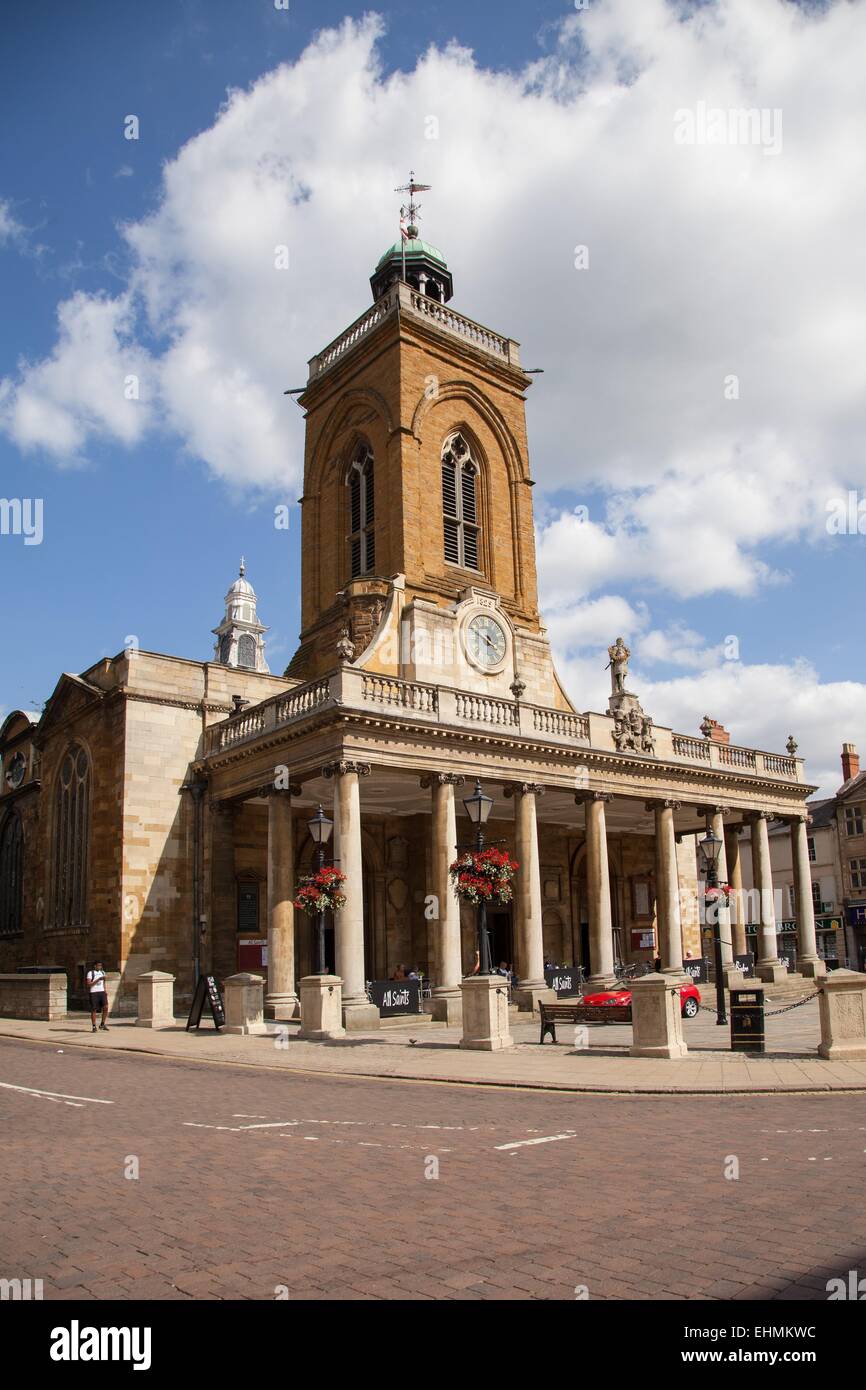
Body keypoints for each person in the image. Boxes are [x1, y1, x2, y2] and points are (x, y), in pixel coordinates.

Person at [86, 960, 109, 1032]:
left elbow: (104, 982)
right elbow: (89, 984)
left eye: (101, 965)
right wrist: (98, 979)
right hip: (94, 992)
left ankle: (102, 1024)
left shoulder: (102, 972)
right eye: (98, 965)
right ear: (95, 966)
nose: (100, 967)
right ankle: (94, 1026)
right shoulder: (90, 973)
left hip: (101, 992)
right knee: (94, 1009)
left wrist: (105, 990)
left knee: (106, 1007)